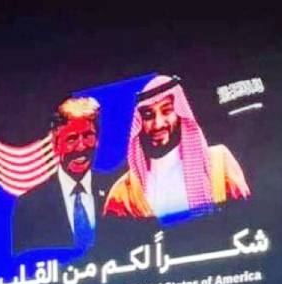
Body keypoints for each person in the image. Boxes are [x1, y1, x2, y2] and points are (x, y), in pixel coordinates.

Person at [103, 75, 250, 220]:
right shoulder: (122, 192)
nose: (158, 124)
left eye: (167, 111)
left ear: (180, 113)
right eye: (148, 115)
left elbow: (247, 218)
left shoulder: (220, 162)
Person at [13, 97, 111, 253]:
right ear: (55, 144)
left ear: (97, 139)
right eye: (72, 138)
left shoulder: (116, 190)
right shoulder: (30, 205)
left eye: (88, 136)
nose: (81, 147)